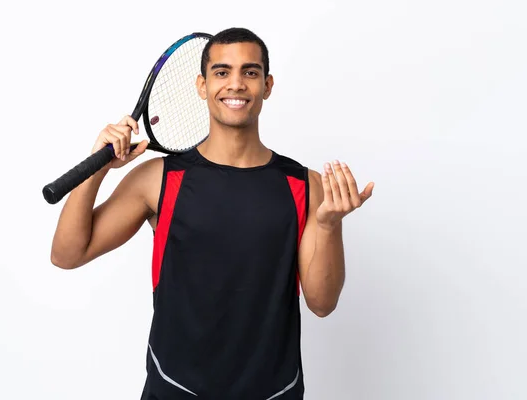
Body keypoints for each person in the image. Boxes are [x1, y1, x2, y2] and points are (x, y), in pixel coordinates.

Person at [50, 27, 374, 399]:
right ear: (202, 85)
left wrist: (329, 226)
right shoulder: (159, 179)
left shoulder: (306, 185)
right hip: (175, 390)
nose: (235, 84)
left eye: (249, 72)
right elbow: (67, 254)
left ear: (267, 85)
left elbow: (321, 303)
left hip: (272, 392)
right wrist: (98, 167)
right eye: (222, 72)